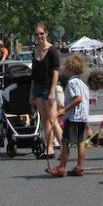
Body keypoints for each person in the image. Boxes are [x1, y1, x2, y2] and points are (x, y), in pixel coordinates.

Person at [47, 56, 103, 177]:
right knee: (80, 142)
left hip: (73, 116)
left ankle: (61, 167)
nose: (64, 70)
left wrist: (65, 110)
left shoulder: (72, 82)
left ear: (71, 69)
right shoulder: (83, 84)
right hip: (82, 117)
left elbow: (78, 99)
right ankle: (79, 167)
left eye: (66, 68)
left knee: (65, 142)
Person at [30, 22, 63, 159]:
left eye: (41, 33)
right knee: (45, 121)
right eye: (37, 34)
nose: (39, 36)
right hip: (37, 88)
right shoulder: (35, 51)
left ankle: (64, 147)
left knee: (53, 119)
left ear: (46, 33)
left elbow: (56, 71)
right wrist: (31, 92)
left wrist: (52, 91)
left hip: (48, 88)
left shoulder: (52, 50)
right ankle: (49, 149)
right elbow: (33, 74)